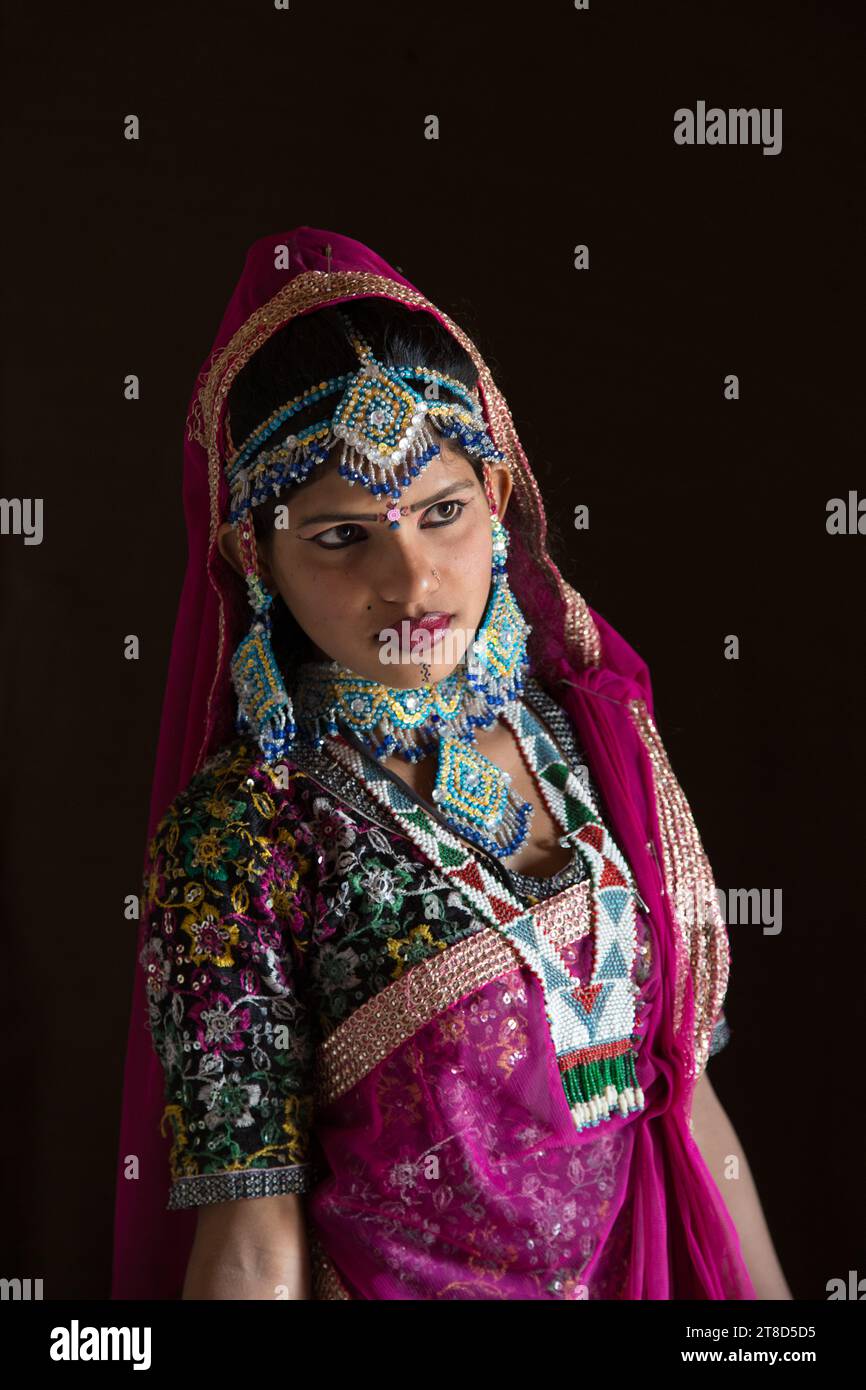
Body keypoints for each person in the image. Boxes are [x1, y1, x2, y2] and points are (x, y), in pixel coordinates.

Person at [112, 226, 791, 1300]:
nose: (412, 578)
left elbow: (688, 1109)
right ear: (258, 554)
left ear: (496, 498)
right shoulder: (244, 834)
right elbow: (252, 1236)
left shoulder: (596, 741)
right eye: (341, 537)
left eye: (441, 514)